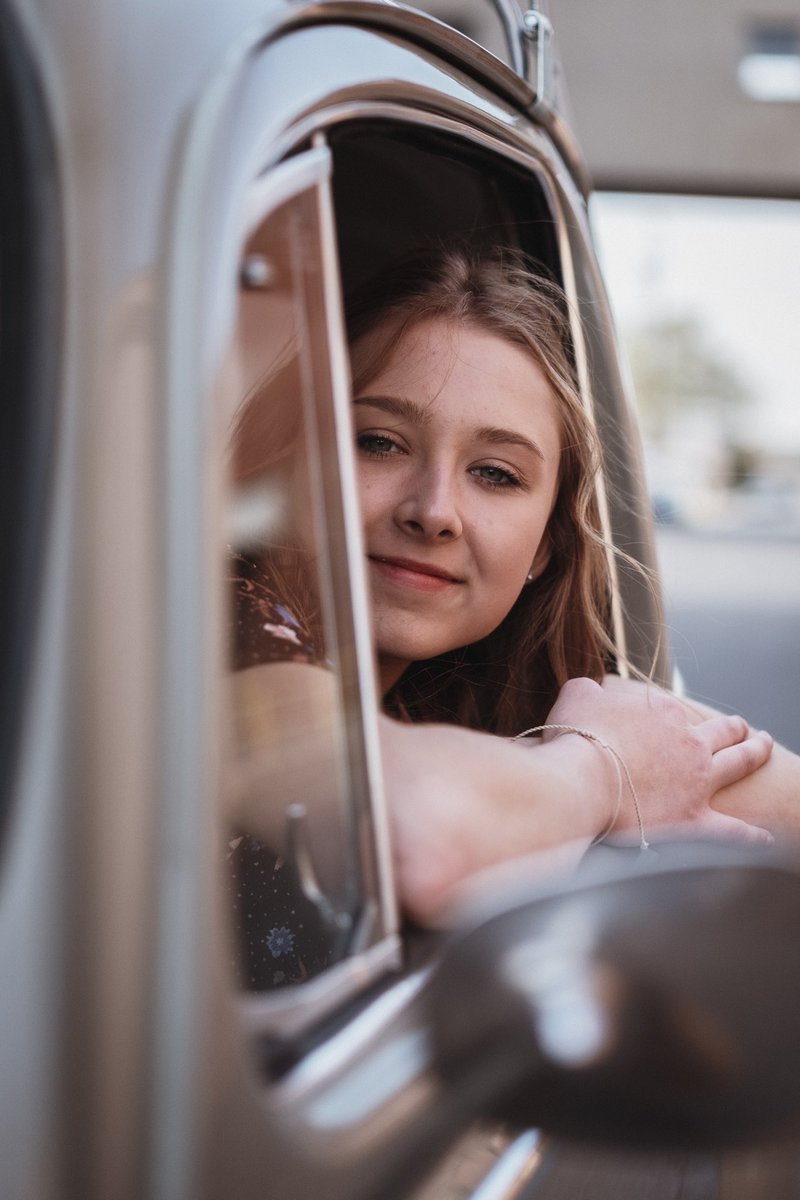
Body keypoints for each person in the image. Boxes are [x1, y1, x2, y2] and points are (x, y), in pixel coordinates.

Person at [228, 244, 790, 943]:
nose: (433, 511)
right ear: (285, 465)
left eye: (494, 474)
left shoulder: (482, 702)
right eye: (378, 442)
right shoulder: (219, 625)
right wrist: (603, 773)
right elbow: (412, 833)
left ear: (543, 547)